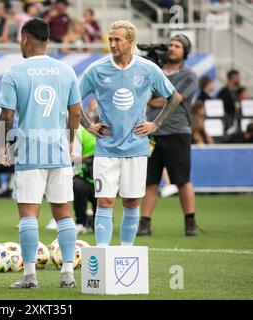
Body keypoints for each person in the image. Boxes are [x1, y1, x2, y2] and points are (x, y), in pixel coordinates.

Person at [79, 20, 180, 247]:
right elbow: (73, 100)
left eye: (117, 40)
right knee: (104, 200)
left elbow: (174, 98)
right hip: (106, 147)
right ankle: (103, 254)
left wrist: (155, 124)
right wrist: (88, 125)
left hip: (136, 146)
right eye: (110, 39)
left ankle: (126, 253)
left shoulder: (148, 69)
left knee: (132, 201)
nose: (112, 44)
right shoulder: (96, 70)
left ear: (130, 41)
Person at [0, 18, 82, 289]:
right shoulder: (66, 71)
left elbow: (7, 115)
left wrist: (5, 147)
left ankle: (30, 276)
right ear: (47, 40)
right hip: (58, 151)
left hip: (29, 153)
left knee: (28, 214)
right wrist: (69, 141)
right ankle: (68, 273)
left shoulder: (14, 72)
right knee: (64, 213)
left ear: (24, 38)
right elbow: (76, 112)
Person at [138, 34, 199, 237]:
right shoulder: (154, 71)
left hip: (177, 132)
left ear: (185, 52)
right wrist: (160, 99)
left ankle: (190, 221)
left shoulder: (189, 75)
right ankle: (144, 223)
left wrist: (157, 99)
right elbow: (145, 96)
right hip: (152, 132)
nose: (172, 49)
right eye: (170, 45)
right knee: (151, 181)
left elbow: (174, 100)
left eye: (177, 46)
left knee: (182, 180)